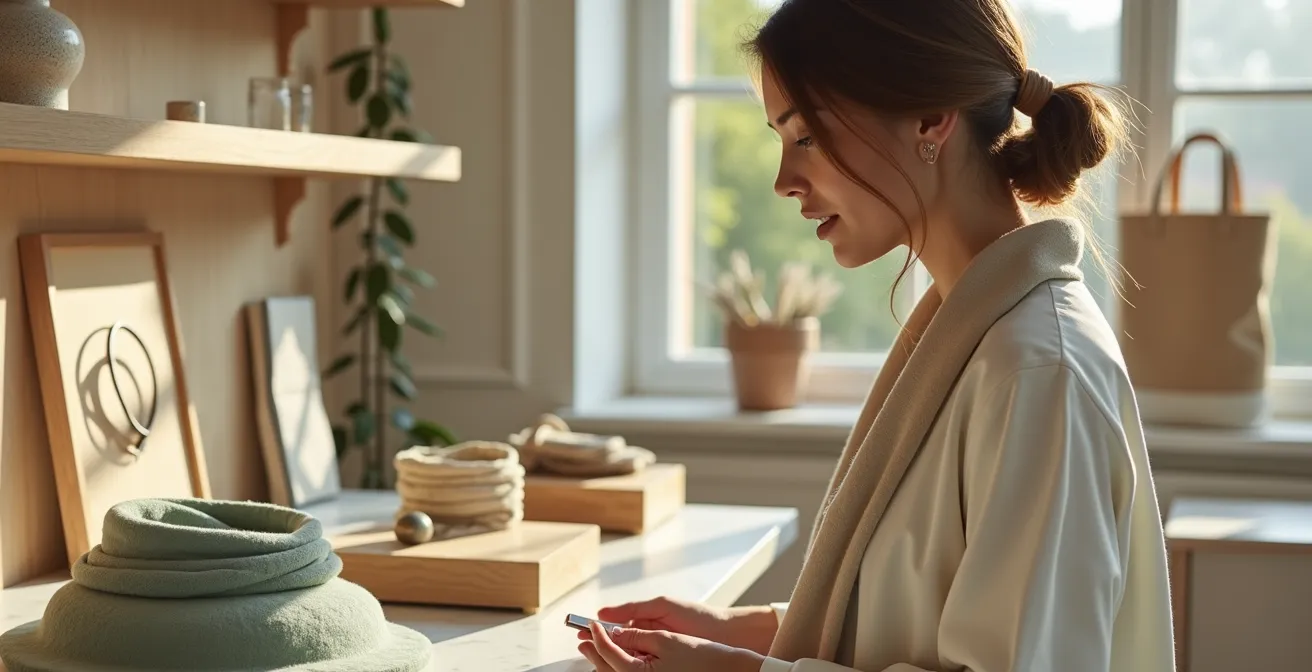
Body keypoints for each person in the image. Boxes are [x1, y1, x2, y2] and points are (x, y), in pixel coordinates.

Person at [576, 0, 1177, 671]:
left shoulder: (1036, 371)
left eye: (804, 137)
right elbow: (921, 613)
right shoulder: (969, 336)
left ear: (929, 120)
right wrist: (745, 631)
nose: (784, 182)